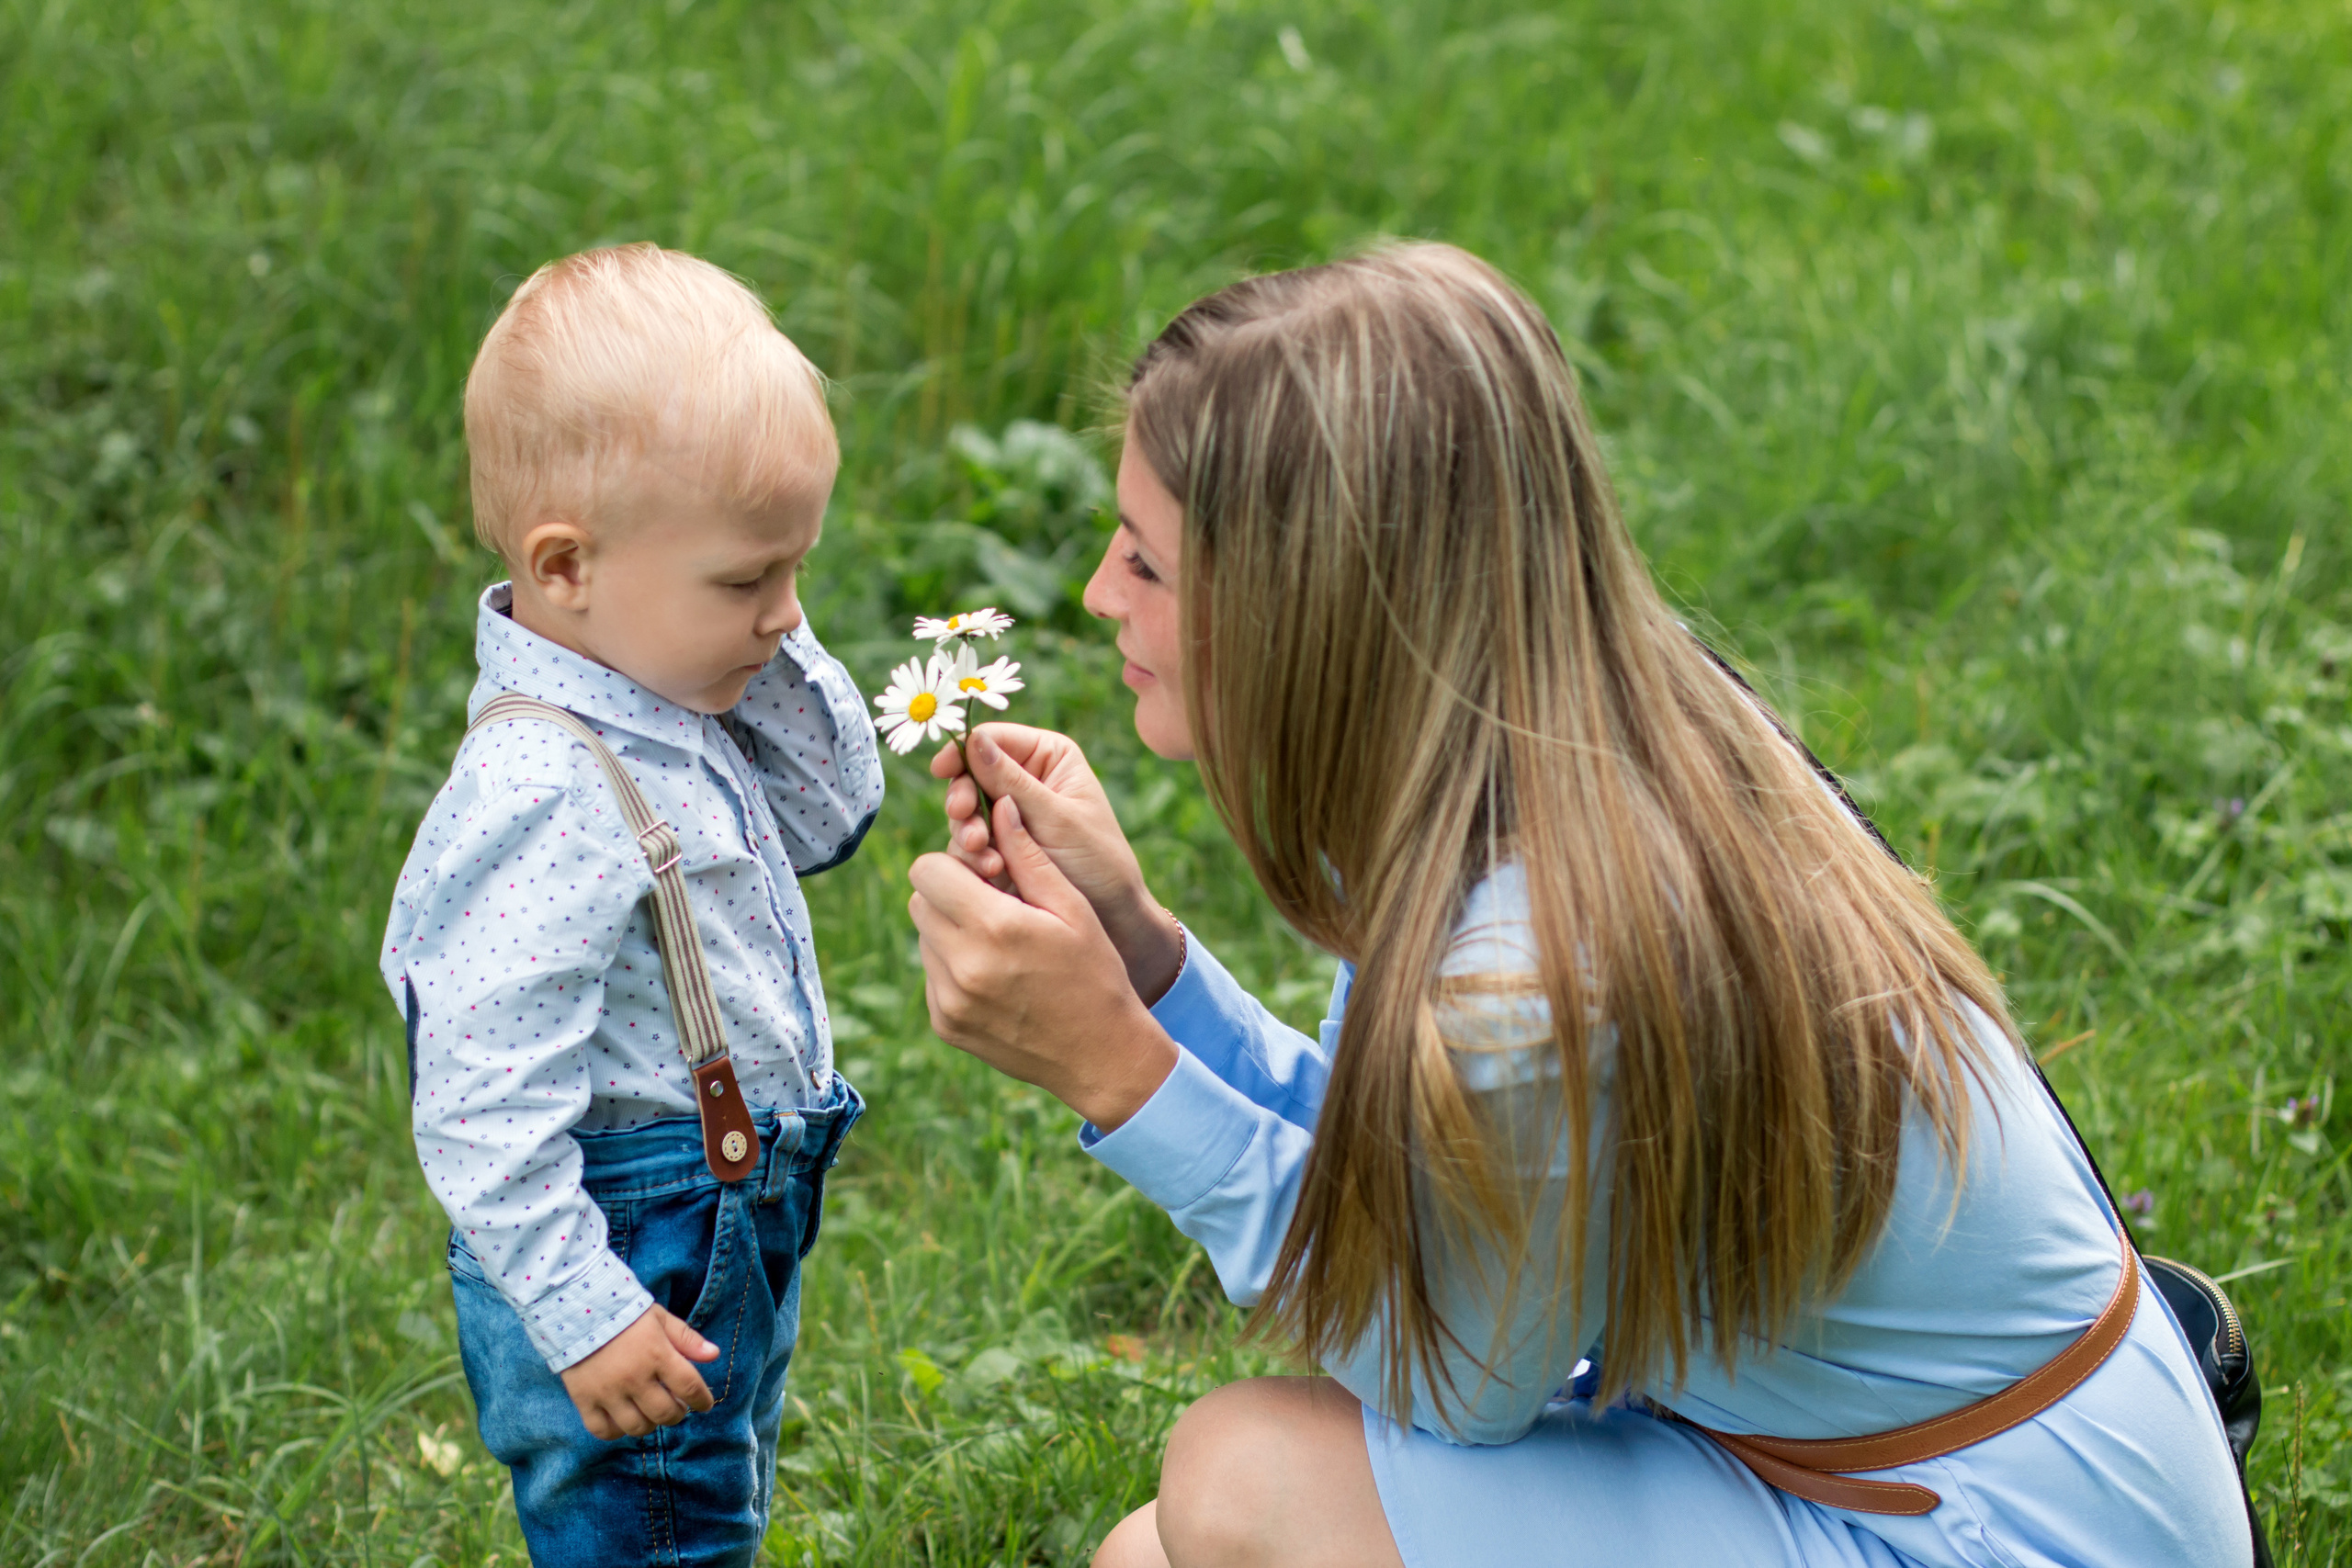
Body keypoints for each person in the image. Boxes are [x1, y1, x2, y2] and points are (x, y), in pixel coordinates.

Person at [906, 243, 2253, 1567]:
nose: (1094, 594)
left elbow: (1450, 1377)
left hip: (2007, 1523)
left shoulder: (1543, 957)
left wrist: (1122, 1077)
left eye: (1143, 561)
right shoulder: (1564, 755)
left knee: (1241, 1478)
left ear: (1303, 604)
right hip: (1938, 1457)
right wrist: (1147, 965)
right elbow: (1433, 1196)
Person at [380, 243, 880, 1566]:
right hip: (627, 1239)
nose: (782, 617)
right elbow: (481, 1093)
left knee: (709, 1507)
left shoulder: (671, 681)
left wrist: (758, 620)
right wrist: (583, 1312)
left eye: (794, 572)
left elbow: (832, 815)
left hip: (727, 1212)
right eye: (744, 582)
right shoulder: (543, 786)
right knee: (655, 1533)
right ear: (566, 568)